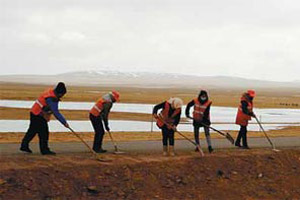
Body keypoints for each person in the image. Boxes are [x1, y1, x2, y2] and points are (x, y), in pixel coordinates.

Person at [20, 82, 69, 155]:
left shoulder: (50, 92)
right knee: (44, 133)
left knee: (33, 130)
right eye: (62, 95)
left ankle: (24, 145)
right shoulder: (51, 98)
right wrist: (64, 122)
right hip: (38, 114)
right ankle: (44, 150)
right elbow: (56, 112)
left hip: (34, 112)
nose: (61, 96)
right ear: (59, 93)